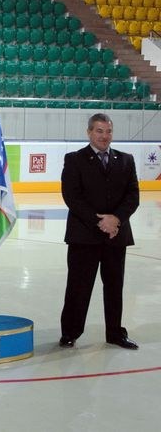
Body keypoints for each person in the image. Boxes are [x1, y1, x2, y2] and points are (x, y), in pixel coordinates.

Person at [59, 113, 140, 350]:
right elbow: (72, 197)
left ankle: (115, 333)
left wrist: (116, 219)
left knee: (115, 287)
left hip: (117, 235)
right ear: (89, 132)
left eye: (108, 132)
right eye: (99, 131)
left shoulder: (126, 160)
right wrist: (100, 222)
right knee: (78, 286)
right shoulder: (74, 159)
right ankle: (70, 332)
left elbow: (132, 196)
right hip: (84, 236)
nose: (105, 136)